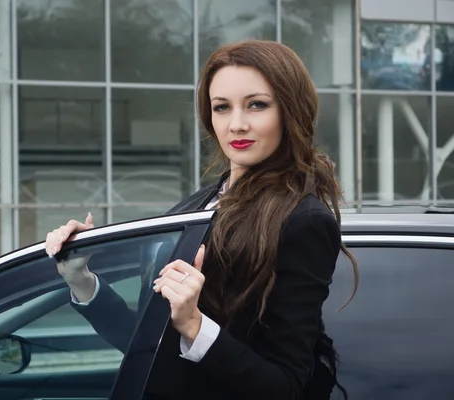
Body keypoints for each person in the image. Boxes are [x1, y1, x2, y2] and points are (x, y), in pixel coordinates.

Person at [45, 39, 359, 400]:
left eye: (257, 105)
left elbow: (284, 387)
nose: (236, 124)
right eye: (221, 107)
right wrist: (82, 281)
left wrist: (194, 325)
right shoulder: (198, 204)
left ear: (291, 110)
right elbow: (151, 344)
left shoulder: (304, 221)